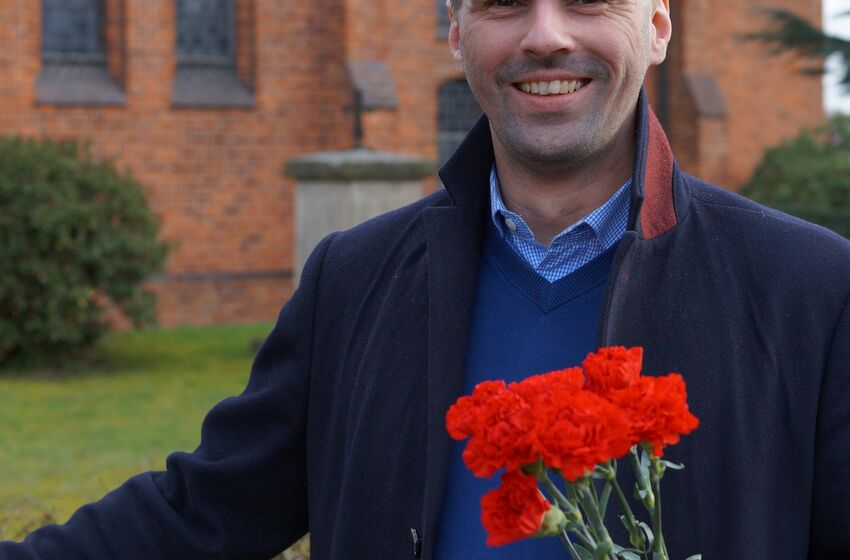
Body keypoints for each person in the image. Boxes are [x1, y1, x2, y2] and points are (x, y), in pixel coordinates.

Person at [3, 0, 850, 558]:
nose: (545, 35)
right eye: (502, 4)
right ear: (456, 33)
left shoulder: (809, 293)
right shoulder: (355, 281)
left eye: (589, 0)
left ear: (659, 25)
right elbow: (203, 514)